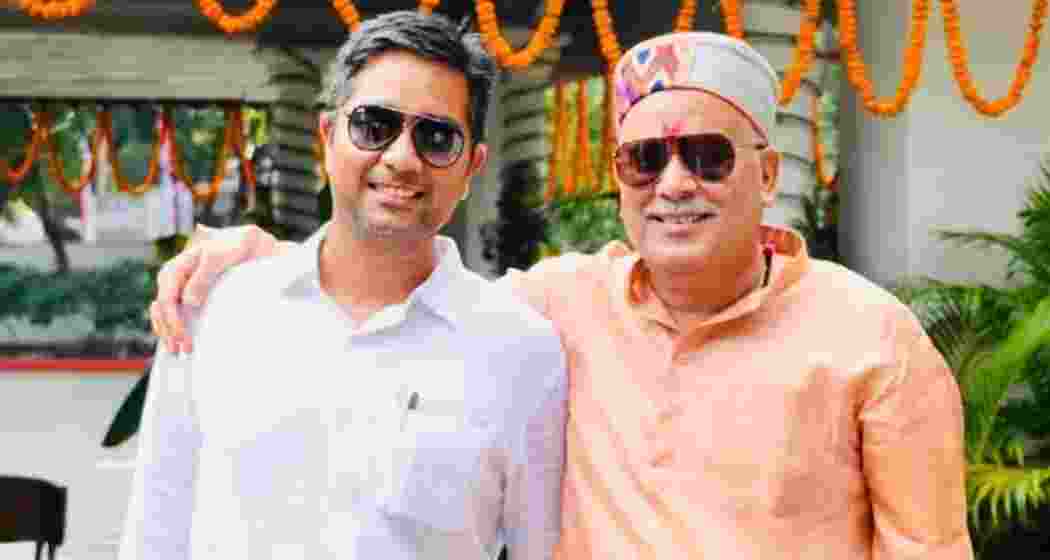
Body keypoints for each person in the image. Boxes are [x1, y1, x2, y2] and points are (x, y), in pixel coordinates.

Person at [150, 30, 973, 559]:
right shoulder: (560, 306)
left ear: (767, 171)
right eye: (645, 159)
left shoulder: (874, 341)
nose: (673, 183)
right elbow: (393, 277)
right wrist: (265, 255)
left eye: (707, 156)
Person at [121, 11, 567, 560]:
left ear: (472, 164)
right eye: (374, 126)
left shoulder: (521, 352)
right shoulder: (215, 308)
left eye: (436, 136)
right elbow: (155, 535)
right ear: (328, 136)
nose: (402, 158)